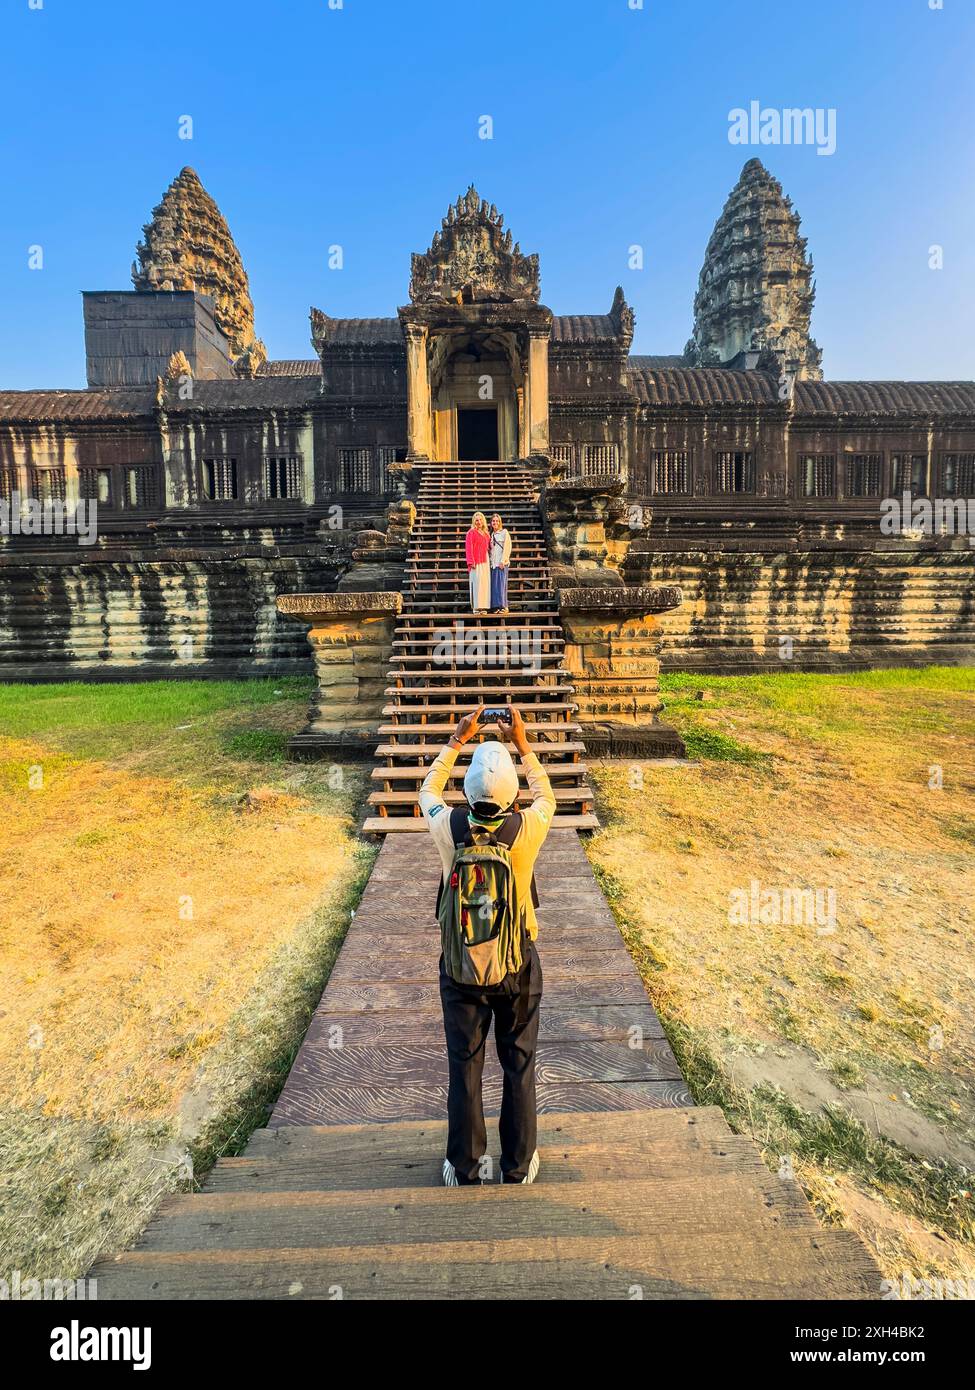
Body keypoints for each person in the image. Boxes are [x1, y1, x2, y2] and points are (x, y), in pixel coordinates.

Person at [419, 705, 555, 1186]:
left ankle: (464, 1165)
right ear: (513, 795)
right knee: (518, 1062)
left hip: (461, 966)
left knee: (465, 1065)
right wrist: (523, 742)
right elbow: (547, 795)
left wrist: (457, 740)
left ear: (467, 791)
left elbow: (427, 792)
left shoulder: (447, 826)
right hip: (517, 961)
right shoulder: (528, 828)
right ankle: (518, 1166)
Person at [465, 511, 490, 613]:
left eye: (480, 520)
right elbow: (468, 548)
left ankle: (483, 607)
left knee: (484, 584)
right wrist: (471, 562)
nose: (479, 522)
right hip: (476, 561)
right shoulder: (471, 532)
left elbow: (489, 548)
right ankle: (476, 607)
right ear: (474, 522)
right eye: (477, 520)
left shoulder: (486, 534)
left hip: (485, 561)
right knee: (476, 584)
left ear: (483, 521)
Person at [489, 513, 512, 614]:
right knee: (495, 586)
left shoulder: (504, 532)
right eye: (493, 521)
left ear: (500, 522)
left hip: (501, 563)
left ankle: (504, 606)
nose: (495, 523)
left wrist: (503, 560)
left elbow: (507, 547)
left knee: (502, 585)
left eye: (497, 521)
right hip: (493, 564)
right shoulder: (491, 535)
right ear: (491, 523)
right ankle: (497, 607)